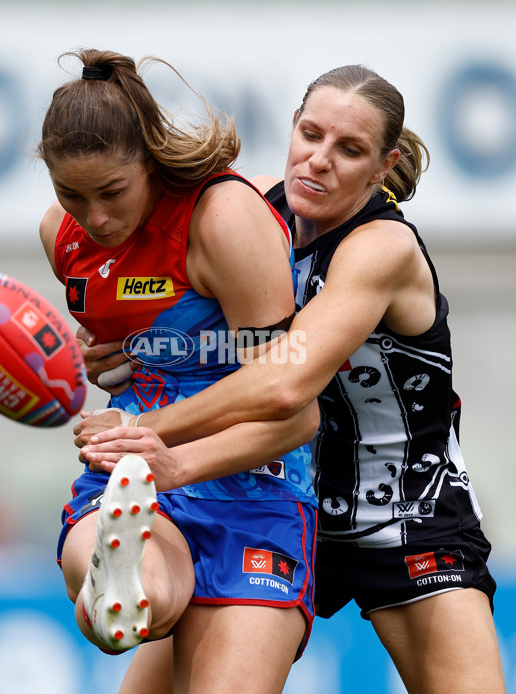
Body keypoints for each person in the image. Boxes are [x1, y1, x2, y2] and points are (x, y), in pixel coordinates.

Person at [77, 65, 506, 693]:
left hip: (403, 518)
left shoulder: (380, 247)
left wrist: (144, 432)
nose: (320, 160)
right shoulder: (251, 210)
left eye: (350, 149)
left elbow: (284, 383)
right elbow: (167, 300)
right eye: (311, 134)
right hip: (276, 499)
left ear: (384, 166)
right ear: (293, 129)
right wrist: (122, 343)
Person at [37, 48, 319, 694]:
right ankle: (126, 584)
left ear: (149, 161)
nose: (95, 218)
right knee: (132, 589)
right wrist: (94, 358)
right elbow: (136, 333)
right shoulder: (62, 236)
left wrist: (171, 454)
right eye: (70, 194)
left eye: (112, 192)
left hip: (254, 491)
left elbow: (295, 408)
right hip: (135, 482)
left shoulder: (221, 220)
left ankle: (129, 582)